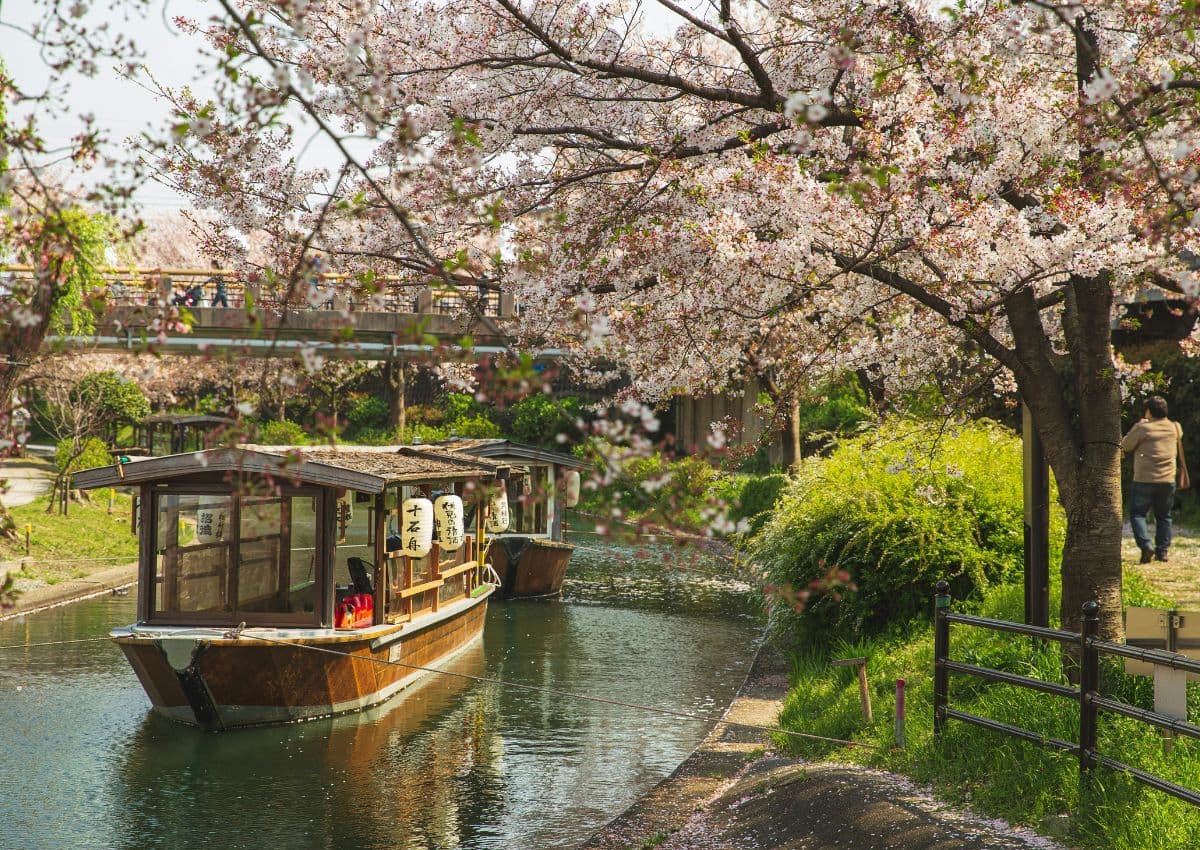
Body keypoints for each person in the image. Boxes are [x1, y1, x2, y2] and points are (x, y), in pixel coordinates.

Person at [1121, 395, 1186, 563]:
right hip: (1167, 480)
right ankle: (1162, 552)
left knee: (1137, 514)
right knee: (1164, 516)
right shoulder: (1175, 427)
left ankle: (1145, 546)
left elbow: (1126, 445)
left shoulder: (1143, 429)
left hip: (1144, 479)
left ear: (1149, 411)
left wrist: (1138, 426)